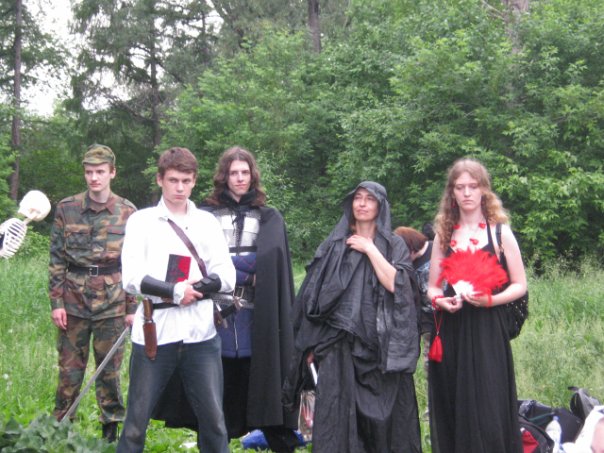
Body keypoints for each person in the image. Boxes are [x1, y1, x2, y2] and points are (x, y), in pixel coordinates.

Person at [284, 181, 422, 453]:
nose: (362, 203)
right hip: (339, 346)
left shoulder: (394, 245)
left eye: (369, 199)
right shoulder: (335, 245)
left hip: (379, 348)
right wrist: (310, 345)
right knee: (338, 420)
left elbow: (398, 286)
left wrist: (370, 249)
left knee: (385, 423)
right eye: (358, 198)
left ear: (380, 206)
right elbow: (314, 298)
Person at [116, 147, 235, 453]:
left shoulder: (207, 222)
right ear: (160, 180)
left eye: (186, 180)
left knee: (214, 421)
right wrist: (173, 291)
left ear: (194, 181)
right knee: (136, 422)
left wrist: (197, 288)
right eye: (173, 180)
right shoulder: (141, 221)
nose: (179, 188)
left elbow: (227, 275)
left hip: (201, 333)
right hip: (155, 331)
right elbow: (131, 277)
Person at [201, 146, 299, 452]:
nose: (240, 178)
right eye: (234, 173)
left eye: (245, 172)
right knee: (220, 376)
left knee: (258, 375)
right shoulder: (205, 216)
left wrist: (228, 269)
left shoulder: (269, 217)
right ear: (224, 176)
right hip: (216, 310)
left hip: (257, 312)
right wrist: (244, 272)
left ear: (252, 175)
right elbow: (203, 262)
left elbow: (270, 264)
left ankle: (273, 435)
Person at [427, 157, 527, 453]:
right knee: (454, 405)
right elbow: (432, 287)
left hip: (488, 330)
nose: (467, 192)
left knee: (488, 406)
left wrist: (490, 300)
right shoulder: (444, 235)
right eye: (460, 187)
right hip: (453, 330)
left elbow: (520, 285)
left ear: (484, 189)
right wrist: (441, 301)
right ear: (452, 192)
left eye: (473, 186)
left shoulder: (499, 233)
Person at [48, 144, 137, 442]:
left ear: (112, 173)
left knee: (109, 370)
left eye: (100, 171)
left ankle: (110, 431)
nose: (94, 178)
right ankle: (61, 429)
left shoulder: (128, 212)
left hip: (112, 302)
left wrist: (131, 309)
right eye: (89, 172)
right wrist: (56, 303)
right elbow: (56, 259)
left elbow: (133, 264)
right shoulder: (67, 208)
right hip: (73, 301)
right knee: (69, 371)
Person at [393, 226, 433, 419]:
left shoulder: (436, 249)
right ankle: (433, 406)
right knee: (430, 364)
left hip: (449, 318)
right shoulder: (407, 265)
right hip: (427, 323)